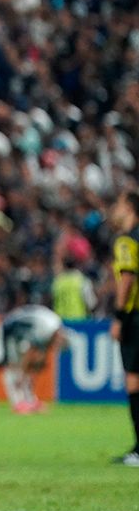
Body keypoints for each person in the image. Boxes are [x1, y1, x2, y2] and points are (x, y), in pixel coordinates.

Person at [108, 191, 139, 466]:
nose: (114, 210)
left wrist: (119, 317)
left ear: (129, 208)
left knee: (134, 379)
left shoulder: (127, 240)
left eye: (118, 205)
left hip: (135, 316)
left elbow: (127, 279)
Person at [0, 304, 63, 414]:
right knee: (11, 366)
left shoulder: (53, 325)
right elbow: (30, 353)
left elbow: (37, 357)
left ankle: (30, 401)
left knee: (25, 369)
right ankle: (18, 403)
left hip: (19, 333)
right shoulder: (47, 328)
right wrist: (22, 375)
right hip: (6, 330)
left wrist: (30, 372)